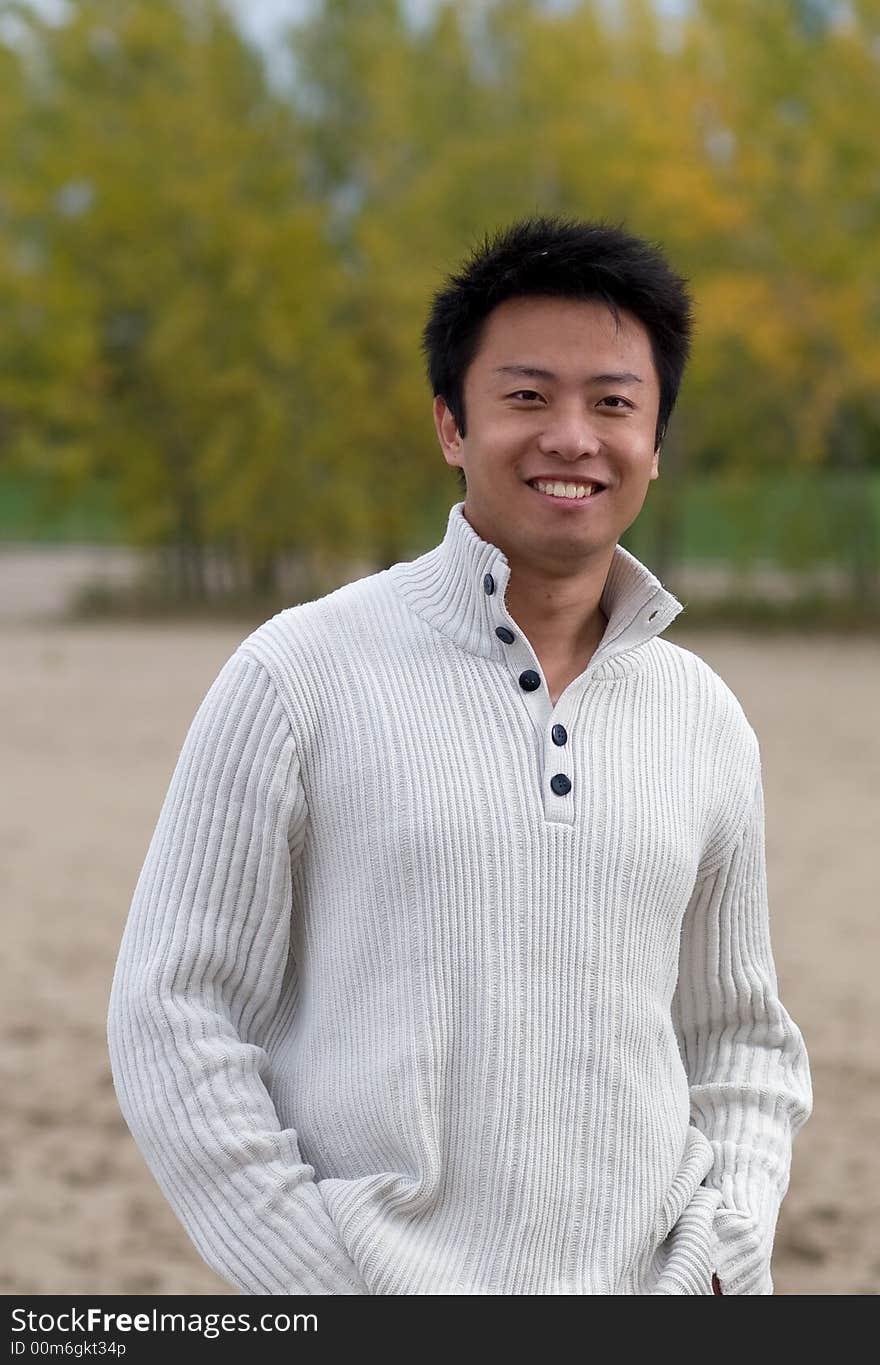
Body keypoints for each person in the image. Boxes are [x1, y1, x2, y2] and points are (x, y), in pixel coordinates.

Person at [107, 214, 812, 1295]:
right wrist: (318, 1280)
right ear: (450, 422)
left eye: (613, 403)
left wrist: (723, 1249)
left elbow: (741, 1041)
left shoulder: (703, 718)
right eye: (526, 397)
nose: (571, 437)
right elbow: (174, 1010)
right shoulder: (298, 674)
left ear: (656, 440)